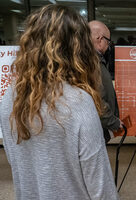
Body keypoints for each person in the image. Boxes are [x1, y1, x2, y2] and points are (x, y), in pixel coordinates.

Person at [0, 5, 119, 200]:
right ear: (77, 48)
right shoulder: (78, 101)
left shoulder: (12, 95)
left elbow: (17, 160)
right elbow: (101, 189)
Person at [89, 20, 123, 143]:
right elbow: (98, 100)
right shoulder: (91, 63)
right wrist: (113, 121)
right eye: (108, 42)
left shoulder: (89, 59)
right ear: (99, 39)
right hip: (94, 131)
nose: (108, 46)